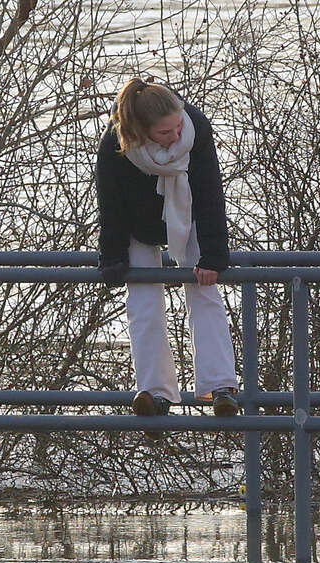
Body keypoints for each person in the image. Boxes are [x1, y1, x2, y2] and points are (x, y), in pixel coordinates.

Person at [96, 78, 239, 418]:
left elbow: (209, 194)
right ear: (140, 132)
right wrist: (113, 256)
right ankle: (154, 392)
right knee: (143, 301)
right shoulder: (114, 145)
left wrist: (213, 256)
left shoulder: (195, 128)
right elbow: (110, 205)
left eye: (177, 128)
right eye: (164, 133)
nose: (175, 137)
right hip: (137, 225)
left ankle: (221, 387)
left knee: (205, 289)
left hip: (187, 214)